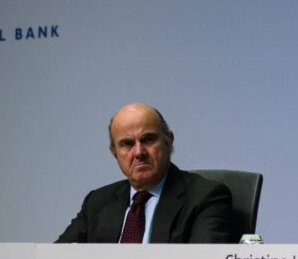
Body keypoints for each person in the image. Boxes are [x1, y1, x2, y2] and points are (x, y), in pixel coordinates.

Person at [56, 103, 233, 243]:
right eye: (127, 144)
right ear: (114, 152)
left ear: (168, 140)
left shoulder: (205, 197)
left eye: (148, 139)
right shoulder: (97, 202)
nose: (139, 152)